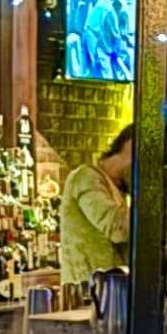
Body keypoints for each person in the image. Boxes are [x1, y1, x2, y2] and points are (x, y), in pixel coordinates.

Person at [57, 125, 130, 293]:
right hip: (88, 295)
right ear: (129, 147)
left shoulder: (116, 189)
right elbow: (117, 228)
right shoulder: (86, 176)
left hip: (107, 293)